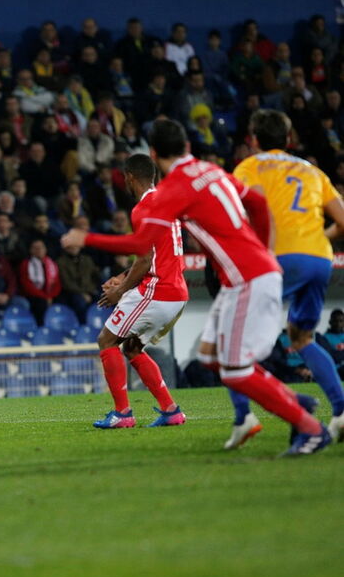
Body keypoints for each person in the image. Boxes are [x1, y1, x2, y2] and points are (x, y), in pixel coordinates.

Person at [61, 119, 331, 456]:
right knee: (212, 357)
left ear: (154, 152)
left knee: (234, 370)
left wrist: (86, 237)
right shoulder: (211, 170)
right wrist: (262, 248)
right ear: (187, 145)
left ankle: (311, 428)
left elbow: (142, 242)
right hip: (248, 273)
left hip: (246, 277)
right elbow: (259, 204)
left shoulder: (175, 189)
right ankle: (294, 400)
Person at [230, 110, 344, 444]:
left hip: (279, 256)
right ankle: (340, 412)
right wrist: (318, 238)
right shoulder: (312, 170)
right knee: (302, 337)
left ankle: (244, 416)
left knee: (234, 340)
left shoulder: (249, 167)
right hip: (321, 257)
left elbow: (245, 215)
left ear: (253, 139)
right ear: (289, 139)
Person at [90, 154, 188, 429]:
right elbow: (154, 255)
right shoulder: (168, 204)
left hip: (158, 291)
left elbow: (145, 261)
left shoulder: (142, 208)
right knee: (132, 348)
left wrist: (120, 290)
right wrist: (122, 277)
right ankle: (171, 411)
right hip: (177, 294)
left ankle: (122, 414)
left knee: (107, 340)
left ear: (130, 177)